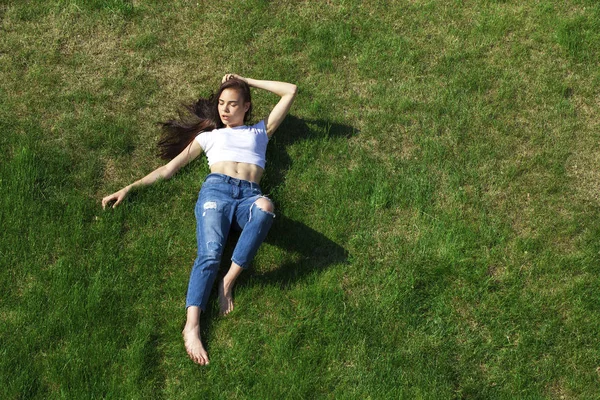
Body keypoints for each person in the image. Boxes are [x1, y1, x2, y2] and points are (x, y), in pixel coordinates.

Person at [101, 74, 297, 365]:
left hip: (249, 196)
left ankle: (228, 282)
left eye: (233, 104)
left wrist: (246, 80)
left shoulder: (260, 131)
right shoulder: (208, 137)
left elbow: (290, 91)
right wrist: (130, 188)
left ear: (246, 107)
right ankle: (191, 326)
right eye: (221, 104)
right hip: (216, 192)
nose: (225, 110)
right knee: (209, 255)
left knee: (266, 207)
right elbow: (168, 169)